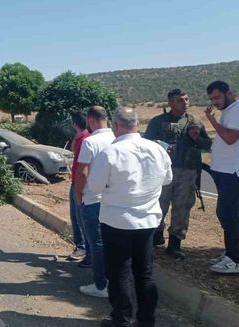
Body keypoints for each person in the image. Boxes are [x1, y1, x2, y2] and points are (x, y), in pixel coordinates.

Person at [88, 107, 172, 327]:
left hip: (117, 221)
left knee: (119, 273)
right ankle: (146, 321)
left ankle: (122, 319)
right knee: (144, 272)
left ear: (115, 125)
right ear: (137, 124)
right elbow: (167, 179)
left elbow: (94, 186)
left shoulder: (110, 152)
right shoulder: (157, 149)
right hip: (147, 221)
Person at [144, 89, 212, 259]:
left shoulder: (195, 122)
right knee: (158, 205)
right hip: (162, 171)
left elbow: (207, 145)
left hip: (187, 172)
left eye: (187, 99)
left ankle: (175, 244)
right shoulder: (157, 122)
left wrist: (197, 138)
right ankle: (155, 237)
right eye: (180, 100)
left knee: (182, 208)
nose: (185, 103)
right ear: (170, 103)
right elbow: (145, 145)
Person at [204, 81, 239, 274]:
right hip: (227, 170)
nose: (214, 102)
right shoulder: (231, 110)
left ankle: (234, 261)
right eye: (211, 99)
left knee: (228, 213)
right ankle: (230, 254)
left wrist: (212, 120)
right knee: (224, 212)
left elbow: (230, 138)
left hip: (236, 171)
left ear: (228, 93)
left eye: (217, 97)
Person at [74, 106, 116, 298]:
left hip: (93, 199)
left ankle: (101, 285)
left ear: (90, 121)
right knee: (111, 243)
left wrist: (78, 194)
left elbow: (82, 172)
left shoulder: (90, 142)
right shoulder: (117, 139)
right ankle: (115, 280)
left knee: (97, 243)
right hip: (113, 200)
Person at [68, 111, 90, 262]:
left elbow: (75, 153)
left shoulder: (84, 139)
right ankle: (83, 247)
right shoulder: (85, 137)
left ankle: (82, 247)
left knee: (78, 217)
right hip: (78, 181)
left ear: (74, 124)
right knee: (78, 216)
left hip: (78, 182)